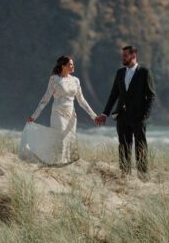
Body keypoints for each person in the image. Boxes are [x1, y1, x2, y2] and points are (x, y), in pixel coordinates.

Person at [25, 55, 98, 165]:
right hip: (58, 113)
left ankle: (64, 164)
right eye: (70, 64)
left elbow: (81, 100)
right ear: (63, 66)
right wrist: (34, 116)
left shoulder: (76, 80)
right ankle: (56, 163)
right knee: (60, 139)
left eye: (73, 64)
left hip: (71, 115)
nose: (73, 66)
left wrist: (94, 116)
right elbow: (46, 98)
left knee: (69, 140)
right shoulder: (54, 79)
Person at [95, 45, 155, 176]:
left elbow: (151, 95)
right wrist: (105, 114)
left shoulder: (144, 72)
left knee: (140, 145)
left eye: (125, 55)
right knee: (123, 145)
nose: (122, 58)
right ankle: (125, 173)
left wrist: (145, 115)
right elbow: (113, 95)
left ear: (133, 56)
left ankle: (142, 174)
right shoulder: (120, 72)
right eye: (122, 55)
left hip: (138, 117)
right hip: (122, 116)